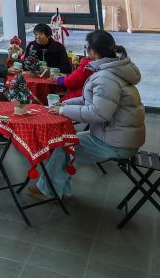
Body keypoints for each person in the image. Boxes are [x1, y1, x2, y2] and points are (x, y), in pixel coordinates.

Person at [29, 30, 146, 201]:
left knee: (63, 145)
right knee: (66, 141)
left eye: (87, 48)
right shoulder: (115, 68)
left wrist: (62, 110)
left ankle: (49, 191)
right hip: (119, 136)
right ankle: (59, 190)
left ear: (93, 51)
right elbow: (89, 100)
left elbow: (98, 113)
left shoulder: (106, 77)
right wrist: (64, 105)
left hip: (115, 142)